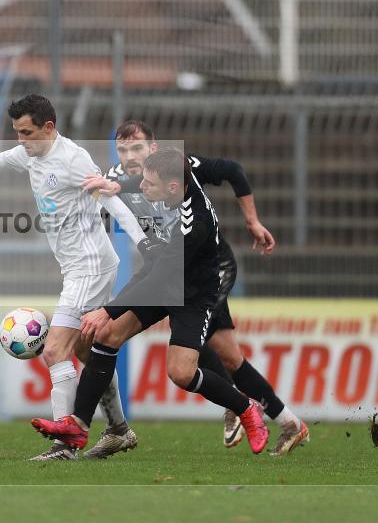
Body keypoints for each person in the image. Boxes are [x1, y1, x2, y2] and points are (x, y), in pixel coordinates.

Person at [0, 94, 159, 460]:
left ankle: (64, 444)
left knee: (54, 350)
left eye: (27, 132)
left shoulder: (72, 159)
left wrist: (143, 242)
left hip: (90, 266)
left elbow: (110, 198)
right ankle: (119, 430)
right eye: (17, 133)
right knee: (88, 351)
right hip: (76, 266)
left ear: (48, 128)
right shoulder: (30, 153)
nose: (21, 141)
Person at [31, 148, 271, 455]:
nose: (142, 188)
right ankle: (78, 425)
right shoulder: (180, 181)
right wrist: (119, 186)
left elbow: (161, 277)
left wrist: (107, 310)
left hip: (192, 295)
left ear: (172, 188)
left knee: (181, 373)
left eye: (148, 184)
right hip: (165, 276)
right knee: (105, 336)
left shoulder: (193, 223)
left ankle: (247, 408)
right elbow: (159, 269)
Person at [94, 122, 309, 456]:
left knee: (199, 342)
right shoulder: (123, 178)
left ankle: (236, 406)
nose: (129, 156)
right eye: (123, 150)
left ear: (154, 149)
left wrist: (252, 221)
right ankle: (288, 422)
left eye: (137, 148)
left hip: (208, 269)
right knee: (229, 354)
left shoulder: (182, 167)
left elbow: (233, 171)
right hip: (174, 269)